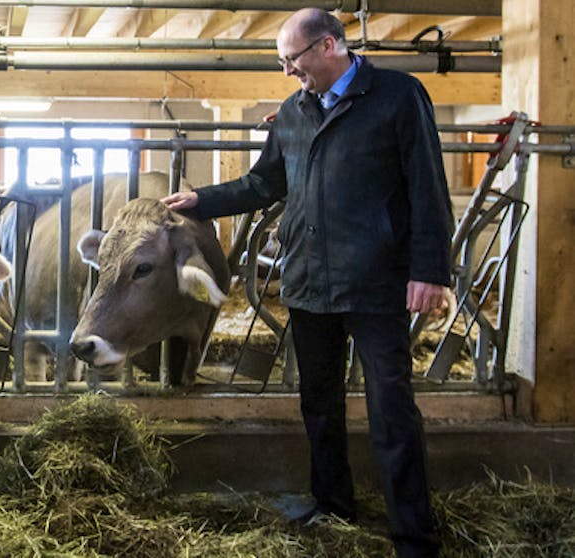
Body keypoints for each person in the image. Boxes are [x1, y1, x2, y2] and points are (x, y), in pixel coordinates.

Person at [163, 8, 452, 558]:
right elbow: (264, 182)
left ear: (327, 47)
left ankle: (414, 534)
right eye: (283, 63)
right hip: (310, 280)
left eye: (292, 60)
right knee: (318, 401)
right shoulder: (295, 113)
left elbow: (427, 188)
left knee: (391, 408)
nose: (290, 72)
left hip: (376, 281)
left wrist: (430, 272)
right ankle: (333, 503)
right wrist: (205, 200)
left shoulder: (396, 96)